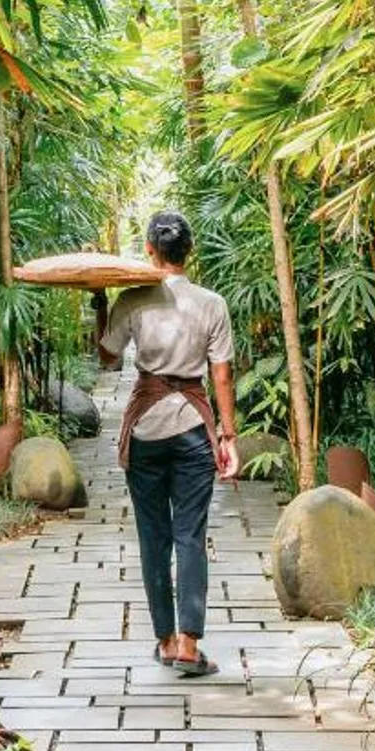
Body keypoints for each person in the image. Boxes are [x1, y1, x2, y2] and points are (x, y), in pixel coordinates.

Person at [94, 210, 240, 676]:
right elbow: (220, 374)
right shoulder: (212, 303)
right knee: (190, 536)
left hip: (145, 431)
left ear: (151, 252)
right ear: (189, 251)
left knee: (153, 538)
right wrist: (228, 435)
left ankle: (164, 640)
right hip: (194, 429)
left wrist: (100, 306)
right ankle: (190, 646)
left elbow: (107, 358)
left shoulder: (133, 299)